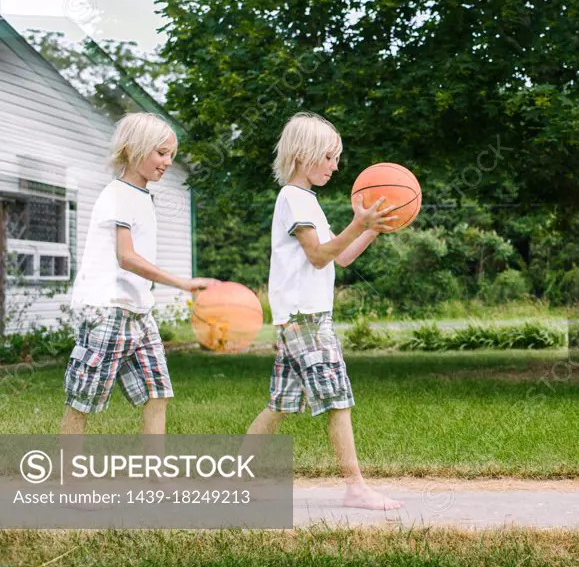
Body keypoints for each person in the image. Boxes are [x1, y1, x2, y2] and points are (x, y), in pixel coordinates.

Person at [246, 112, 400, 510]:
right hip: (305, 319)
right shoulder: (292, 198)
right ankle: (355, 486)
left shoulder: (307, 202)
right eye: (329, 157)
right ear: (303, 155)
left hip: (304, 317)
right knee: (339, 398)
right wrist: (357, 222)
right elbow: (317, 256)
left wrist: (370, 227)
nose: (336, 166)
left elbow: (342, 256)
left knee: (280, 404)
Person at [61, 112, 219, 435]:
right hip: (106, 309)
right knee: (83, 398)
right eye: (161, 153)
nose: (168, 162)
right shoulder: (117, 195)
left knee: (157, 392)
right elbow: (126, 257)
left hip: (138, 310)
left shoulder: (143, 196)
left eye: (171, 155)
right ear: (134, 149)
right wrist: (181, 283)